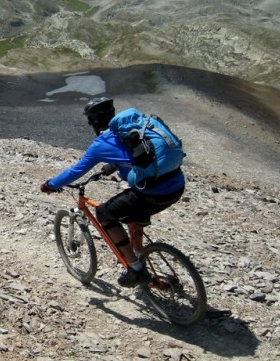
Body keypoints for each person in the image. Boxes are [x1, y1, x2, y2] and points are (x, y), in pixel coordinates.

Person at [39, 97, 185, 287]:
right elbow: (135, 156)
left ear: (93, 122)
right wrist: (113, 166)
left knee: (104, 213)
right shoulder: (134, 131)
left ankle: (135, 269)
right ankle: (141, 256)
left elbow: (75, 171)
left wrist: (50, 185)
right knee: (132, 210)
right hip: (176, 186)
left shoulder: (101, 144)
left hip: (152, 194)